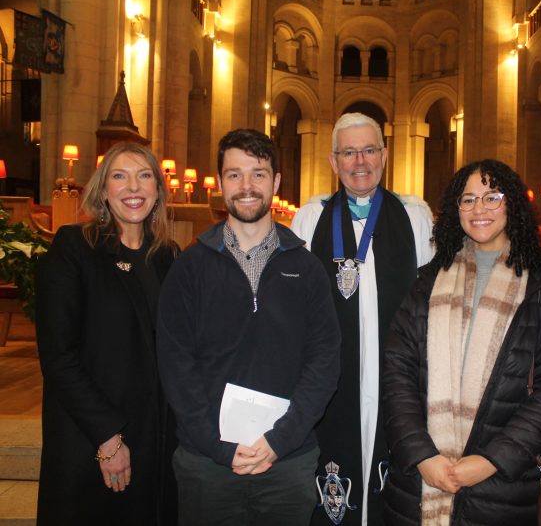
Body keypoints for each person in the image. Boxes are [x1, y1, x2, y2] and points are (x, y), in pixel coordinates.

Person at [156, 129, 340, 525]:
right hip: (208, 463)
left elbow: (323, 363)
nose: (246, 186)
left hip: (287, 463)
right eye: (234, 174)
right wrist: (218, 445)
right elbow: (175, 365)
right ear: (220, 183)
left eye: (258, 174)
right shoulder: (190, 267)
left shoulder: (306, 268)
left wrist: (279, 441)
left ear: (275, 182)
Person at [382, 159, 541, 525]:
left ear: (512, 204)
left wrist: (490, 461)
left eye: (492, 197)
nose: (479, 209)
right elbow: (396, 371)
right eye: (468, 200)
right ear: (456, 210)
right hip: (421, 482)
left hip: (504, 485)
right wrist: (423, 455)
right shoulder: (427, 283)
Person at [291, 112, 434, 525]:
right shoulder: (311, 218)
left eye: (369, 150)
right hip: (331, 384)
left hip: (396, 381)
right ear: (333, 162)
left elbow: (428, 305)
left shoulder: (413, 217)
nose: (360, 162)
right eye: (349, 152)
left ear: (384, 155)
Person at [35, 142, 179, 525]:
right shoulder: (75, 248)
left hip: (155, 436)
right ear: (102, 190)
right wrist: (108, 437)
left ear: (158, 190)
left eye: (144, 176)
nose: (133, 187)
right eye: (120, 176)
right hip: (93, 438)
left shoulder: (168, 256)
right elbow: (58, 356)